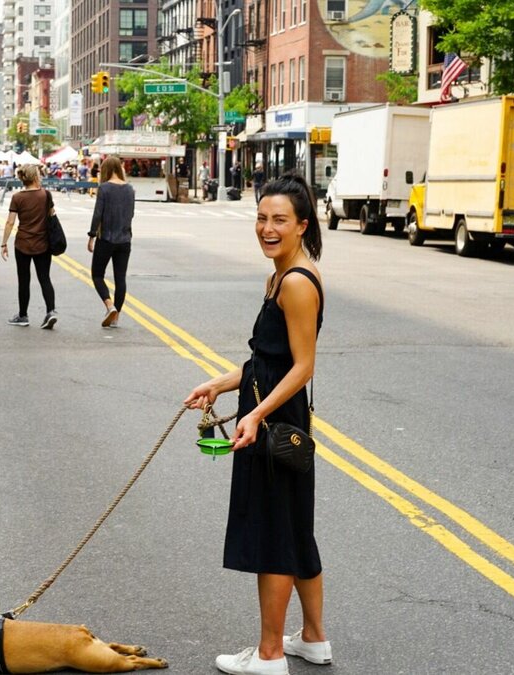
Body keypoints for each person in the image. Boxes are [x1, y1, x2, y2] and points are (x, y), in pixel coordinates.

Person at [183, 174, 328, 675]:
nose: (267, 228)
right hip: (270, 414)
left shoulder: (295, 282)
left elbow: (303, 366)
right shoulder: (280, 275)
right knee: (294, 529)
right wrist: (221, 385)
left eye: (279, 220)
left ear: (302, 225)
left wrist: (255, 413)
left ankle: (269, 655)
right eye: (262, 218)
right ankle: (312, 638)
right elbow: (268, 360)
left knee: (274, 536)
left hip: (274, 423)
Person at [1, 164, 57, 329]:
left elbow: (10, 222)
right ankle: (51, 311)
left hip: (23, 243)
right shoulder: (46, 195)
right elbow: (52, 216)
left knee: (24, 280)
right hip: (43, 243)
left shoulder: (17, 197)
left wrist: (4, 243)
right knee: (44, 278)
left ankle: (23, 315)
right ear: (35, 177)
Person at [88, 156, 136, 328]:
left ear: (106, 169)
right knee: (120, 278)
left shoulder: (105, 188)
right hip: (125, 239)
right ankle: (116, 317)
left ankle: (110, 306)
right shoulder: (130, 189)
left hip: (106, 238)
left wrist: (92, 235)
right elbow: (131, 214)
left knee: (97, 275)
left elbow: (97, 214)